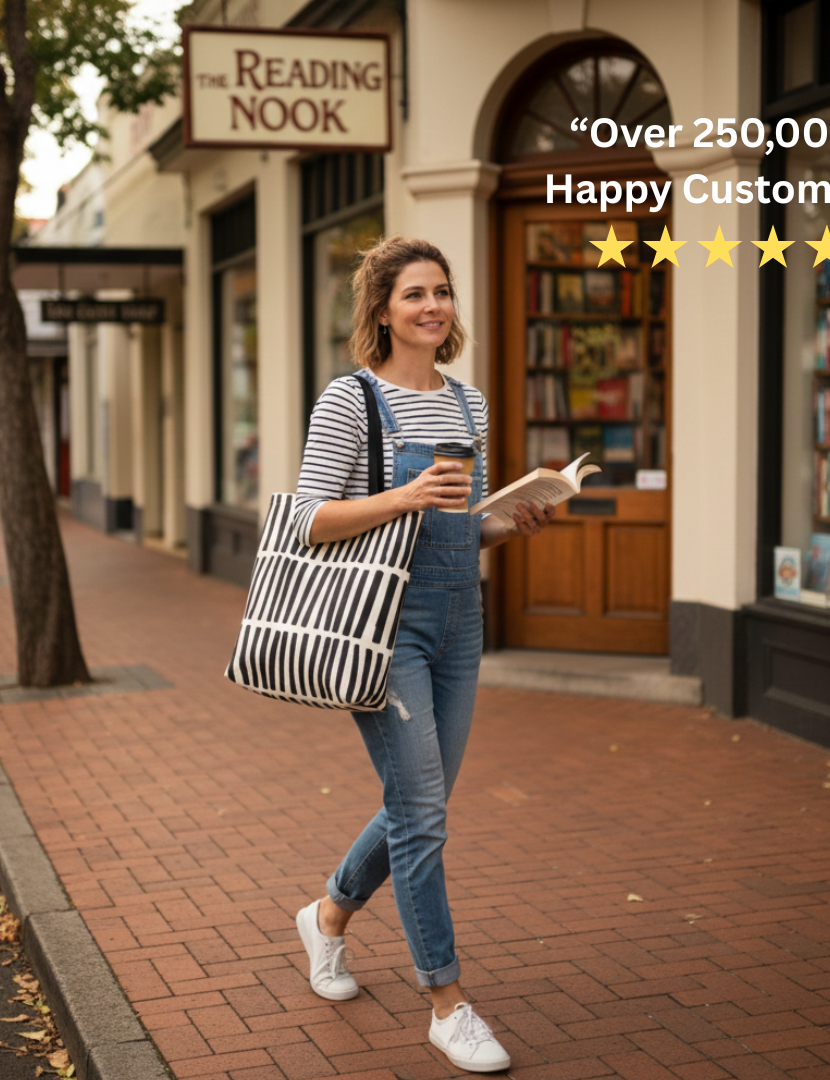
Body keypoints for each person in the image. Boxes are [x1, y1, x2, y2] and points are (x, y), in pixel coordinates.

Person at [291, 236, 555, 1073]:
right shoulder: (351, 400)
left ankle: (329, 917)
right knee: (424, 812)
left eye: (441, 292)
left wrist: (504, 522)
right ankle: (447, 1001)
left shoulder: (468, 404)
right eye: (414, 295)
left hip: (458, 619)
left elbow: (455, 524)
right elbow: (307, 519)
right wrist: (404, 493)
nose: (433, 306)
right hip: (383, 622)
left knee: (420, 803)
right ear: (381, 311)